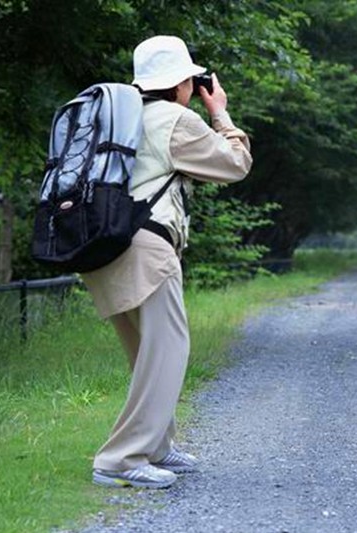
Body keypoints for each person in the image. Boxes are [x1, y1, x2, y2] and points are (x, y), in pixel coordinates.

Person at [82, 35, 252, 488]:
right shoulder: (177, 120)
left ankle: (155, 445)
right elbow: (235, 164)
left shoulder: (117, 116)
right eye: (192, 81)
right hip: (147, 247)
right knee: (169, 351)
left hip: (104, 245)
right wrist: (219, 112)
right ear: (181, 82)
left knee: (145, 354)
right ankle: (121, 458)